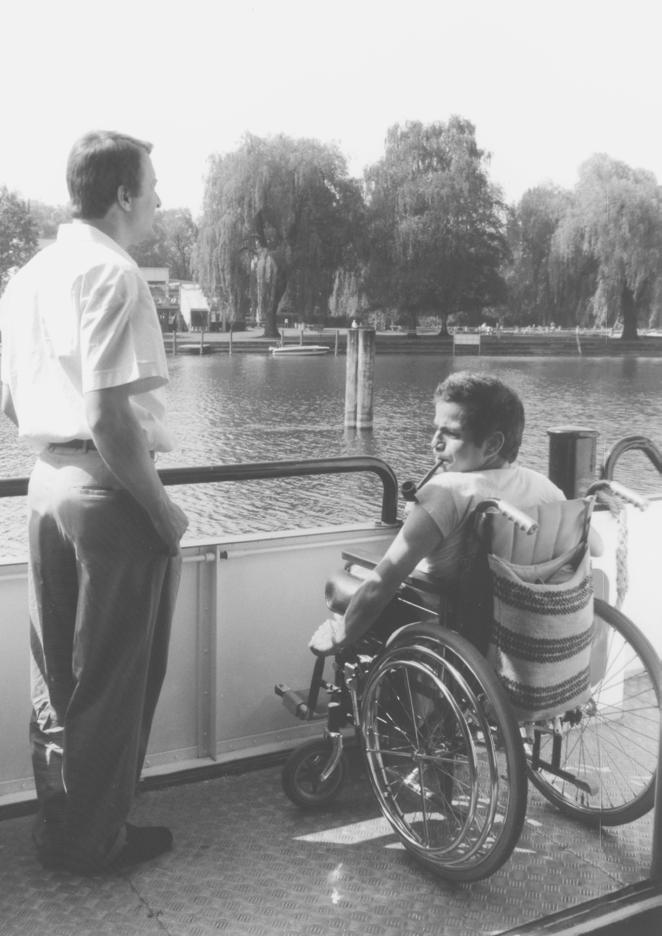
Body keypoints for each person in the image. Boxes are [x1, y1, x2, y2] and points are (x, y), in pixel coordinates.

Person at [0, 131, 189, 873]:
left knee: (57, 672)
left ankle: (61, 824)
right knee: (114, 678)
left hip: (47, 481)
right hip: (106, 490)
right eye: (153, 187)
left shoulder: (26, 277)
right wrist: (163, 513)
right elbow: (110, 417)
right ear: (122, 195)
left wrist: (59, 450)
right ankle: (97, 840)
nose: (159, 200)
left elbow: (10, 401)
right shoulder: (116, 274)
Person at [309, 371, 568, 655]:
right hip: (515, 634)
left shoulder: (447, 491)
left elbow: (381, 585)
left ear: (493, 444)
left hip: (439, 623)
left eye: (451, 433)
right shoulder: (547, 490)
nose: (434, 442)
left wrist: (339, 638)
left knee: (349, 573)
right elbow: (595, 547)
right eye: (436, 430)